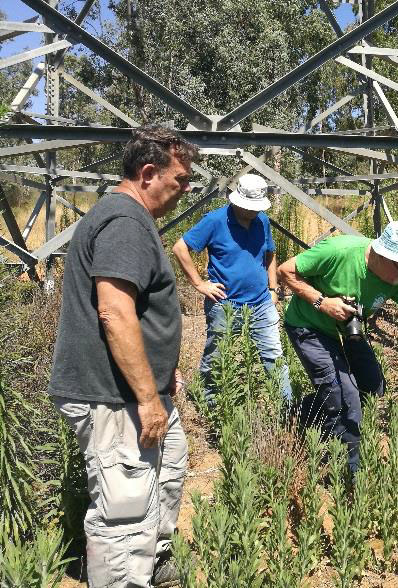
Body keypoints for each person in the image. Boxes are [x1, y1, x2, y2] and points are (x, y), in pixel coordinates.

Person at [48, 124, 198, 588]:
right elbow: (114, 311)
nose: (185, 189)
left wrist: (162, 373)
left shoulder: (129, 220)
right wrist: (147, 398)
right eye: (181, 180)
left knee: (169, 464)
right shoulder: (126, 221)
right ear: (149, 173)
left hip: (135, 392)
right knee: (125, 511)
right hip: (115, 398)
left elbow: (140, 310)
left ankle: (154, 561)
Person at [278, 221, 398, 473]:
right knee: (345, 397)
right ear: (380, 254)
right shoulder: (339, 251)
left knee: (372, 385)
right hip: (308, 325)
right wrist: (322, 302)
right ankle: (349, 474)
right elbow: (285, 271)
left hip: (346, 331)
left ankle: (299, 414)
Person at [172, 174, 291, 407]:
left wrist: (273, 288)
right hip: (225, 304)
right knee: (217, 357)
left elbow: (270, 252)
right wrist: (199, 284)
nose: (253, 212)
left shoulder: (262, 221)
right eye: (249, 208)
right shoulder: (215, 221)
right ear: (236, 201)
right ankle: (211, 408)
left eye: (257, 208)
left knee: (274, 357)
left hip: (261, 303)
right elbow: (180, 248)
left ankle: (287, 410)